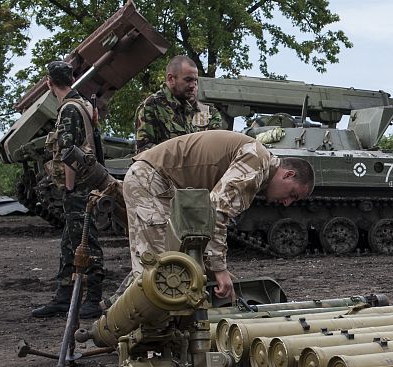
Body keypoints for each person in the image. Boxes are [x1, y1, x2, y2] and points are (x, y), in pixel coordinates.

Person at [122, 129, 314, 299]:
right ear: (288, 174)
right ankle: (131, 322)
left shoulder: (258, 162)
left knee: (164, 262)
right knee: (160, 270)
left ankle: (115, 311)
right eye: (293, 194)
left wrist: (213, 269)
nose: (288, 203)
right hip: (152, 180)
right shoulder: (258, 161)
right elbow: (216, 211)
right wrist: (219, 269)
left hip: (157, 182)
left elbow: (204, 218)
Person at [32, 61, 107, 319]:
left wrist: (69, 187)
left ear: (49, 83)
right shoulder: (84, 104)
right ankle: (63, 297)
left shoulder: (68, 109)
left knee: (86, 241)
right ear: (72, 79)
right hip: (89, 182)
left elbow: (68, 153)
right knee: (68, 244)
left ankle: (94, 298)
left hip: (79, 188)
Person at [134, 55, 223, 154]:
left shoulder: (194, 108)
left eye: (195, 80)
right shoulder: (151, 107)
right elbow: (144, 152)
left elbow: (215, 149)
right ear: (171, 79)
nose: (193, 85)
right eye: (188, 80)